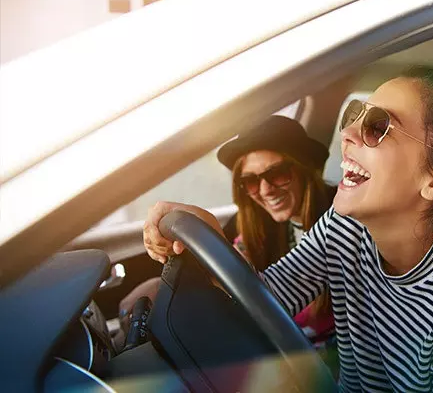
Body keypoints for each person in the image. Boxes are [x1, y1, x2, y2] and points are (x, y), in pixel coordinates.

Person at [144, 66, 433, 392]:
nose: (347, 133)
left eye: (378, 126)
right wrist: (210, 237)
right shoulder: (346, 229)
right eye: (354, 115)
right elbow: (267, 299)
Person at [121, 116, 336, 348]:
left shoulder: (340, 222)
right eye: (251, 181)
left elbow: (272, 297)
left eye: (278, 174)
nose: (265, 190)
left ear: (304, 169)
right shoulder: (255, 223)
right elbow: (239, 286)